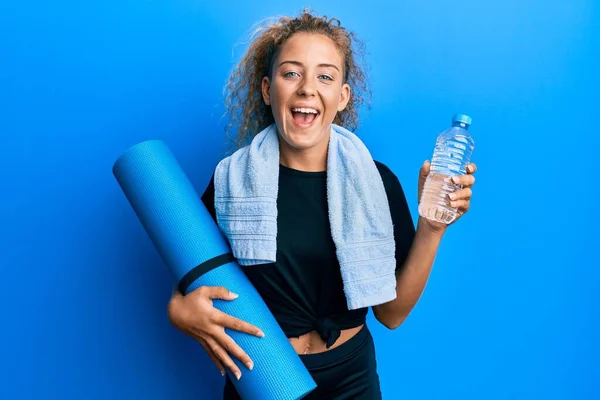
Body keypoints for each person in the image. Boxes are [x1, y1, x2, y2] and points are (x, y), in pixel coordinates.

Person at [167, 8, 477, 399]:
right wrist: (178, 312)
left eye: (325, 76)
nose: (307, 88)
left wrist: (432, 227)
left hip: (352, 379)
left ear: (342, 96)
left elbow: (392, 315)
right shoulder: (231, 181)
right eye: (291, 73)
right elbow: (192, 274)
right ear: (267, 89)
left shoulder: (377, 183)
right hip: (264, 376)